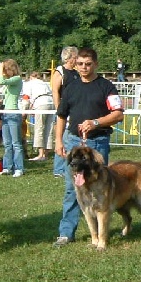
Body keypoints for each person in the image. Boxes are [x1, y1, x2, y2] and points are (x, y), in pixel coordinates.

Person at [53, 48, 124, 246]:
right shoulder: (70, 88)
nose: (84, 67)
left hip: (98, 143)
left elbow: (118, 114)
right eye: (81, 64)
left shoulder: (106, 86)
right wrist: (58, 141)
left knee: (100, 190)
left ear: (96, 64)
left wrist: (96, 122)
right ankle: (66, 232)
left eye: (88, 64)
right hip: (74, 143)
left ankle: (101, 235)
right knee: (72, 189)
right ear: (75, 64)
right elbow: (61, 116)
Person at [51, 46, 79, 178]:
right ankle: (59, 169)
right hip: (63, 110)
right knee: (61, 138)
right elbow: (55, 91)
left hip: (74, 109)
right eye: (75, 57)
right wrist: (59, 109)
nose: (77, 60)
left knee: (69, 138)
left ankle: (66, 166)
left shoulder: (76, 72)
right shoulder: (60, 72)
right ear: (69, 57)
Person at [0, 59, 25, 177]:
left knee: (16, 143)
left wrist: (0, 70)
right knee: (7, 143)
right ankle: (7, 167)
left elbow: (0, 81)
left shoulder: (17, 79)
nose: (5, 72)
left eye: (7, 69)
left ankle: (19, 168)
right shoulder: (10, 81)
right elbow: (3, 88)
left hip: (13, 113)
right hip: (6, 114)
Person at [22, 71, 55, 161]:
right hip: (51, 103)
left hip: (41, 104)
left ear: (30, 77)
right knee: (49, 128)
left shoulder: (29, 84)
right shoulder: (44, 83)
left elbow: (26, 98)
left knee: (39, 128)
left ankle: (40, 154)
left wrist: (24, 112)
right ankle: (46, 153)